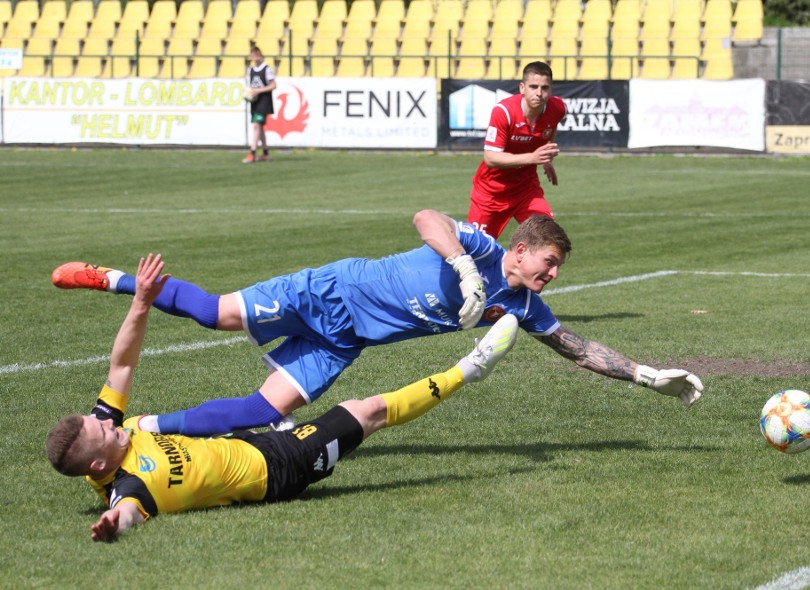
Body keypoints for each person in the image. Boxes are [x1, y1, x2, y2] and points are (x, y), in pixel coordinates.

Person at [51, 210, 704, 438]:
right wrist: (463, 267)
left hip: (348, 340)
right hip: (328, 292)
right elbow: (425, 217)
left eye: (557, 268)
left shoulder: (524, 304)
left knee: (260, 410)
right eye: (551, 263)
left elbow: (575, 346)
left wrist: (651, 377)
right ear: (523, 248)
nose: (553, 275)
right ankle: (109, 278)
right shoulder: (478, 245)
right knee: (215, 313)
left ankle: (139, 427)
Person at [46, 253, 521, 542]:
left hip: (317, 295)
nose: (109, 421)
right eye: (103, 429)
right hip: (277, 466)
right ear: (96, 467)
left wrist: (139, 299)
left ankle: (108, 277)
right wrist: (113, 525)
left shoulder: (112, 430)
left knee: (215, 313)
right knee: (358, 411)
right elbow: (126, 514)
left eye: (101, 420)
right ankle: (470, 369)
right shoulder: (130, 490)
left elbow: (122, 364)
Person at [468, 61, 567, 238]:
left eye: (545, 88)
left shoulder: (558, 108)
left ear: (551, 89)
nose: (539, 93)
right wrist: (533, 157)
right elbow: (490, 158)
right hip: (491, 192)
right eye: (533, 87)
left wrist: (546, 158)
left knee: (548, 238)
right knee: (476, 251)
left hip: (526, 189)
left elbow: (550, 129)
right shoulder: (504, 112)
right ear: (522, 88)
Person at [242, 45, 276, 164]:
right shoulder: (250, 70)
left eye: (257, 55)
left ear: (260, 55)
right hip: (255, 102)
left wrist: (259, 90)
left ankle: (252, 153)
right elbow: (251, 86)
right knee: (259, 127)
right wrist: (249, 93)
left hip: (264, 101)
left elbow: (273, 85)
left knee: (256, 125)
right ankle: (266, 153)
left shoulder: (266, 69)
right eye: (253, 56)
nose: (255, 58)